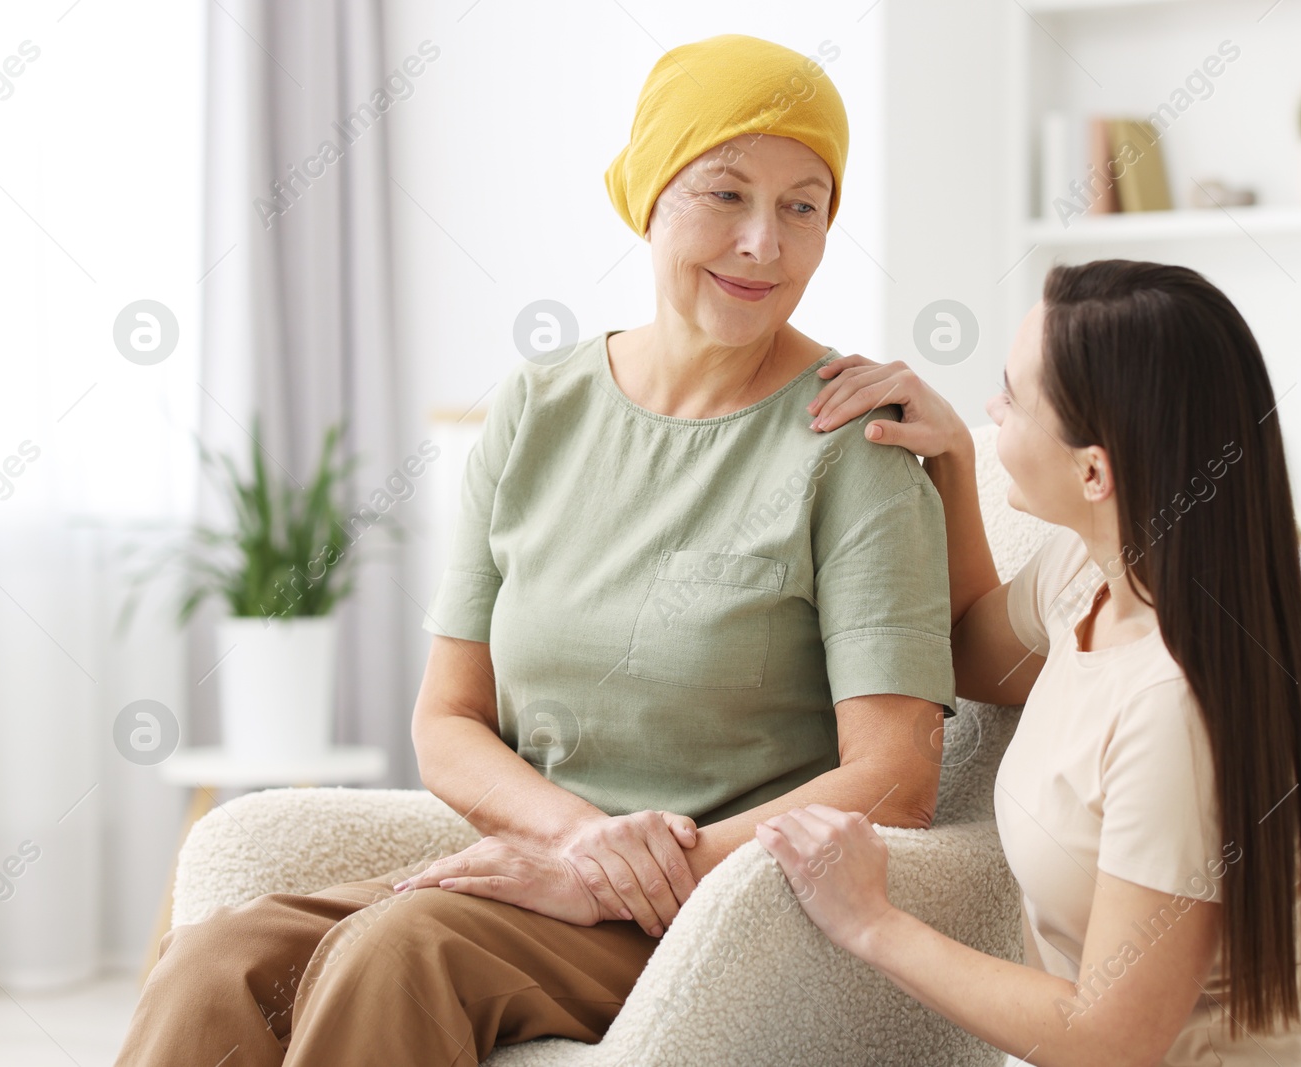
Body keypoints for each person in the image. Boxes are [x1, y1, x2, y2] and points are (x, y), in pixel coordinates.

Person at [115, 34, 956, 1066]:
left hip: (723, 909)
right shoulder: (536, 408)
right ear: (650, 193)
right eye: (724, 193)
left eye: (802, 206)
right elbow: (447, 718)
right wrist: (578, 839)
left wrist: (629, 870)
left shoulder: (851, 439)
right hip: (546, 873)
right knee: (216, 961)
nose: (761, 244)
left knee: (399, 950)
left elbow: (897, 774)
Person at [757, 259, 1301, 1065]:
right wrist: (954, 463)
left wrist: (874, 920)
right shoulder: (1094, 573)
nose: (989, 407)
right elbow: (974, 654)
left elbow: (1109, 1036)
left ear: (1094, 471)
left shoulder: (1173, 710)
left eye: (1011, 396)